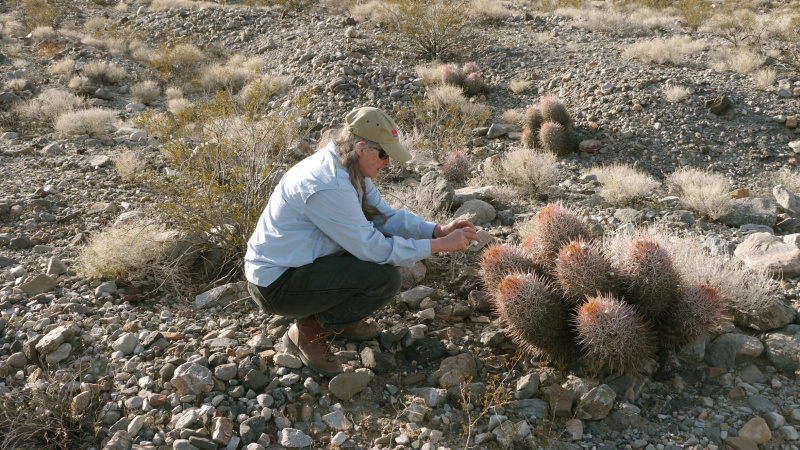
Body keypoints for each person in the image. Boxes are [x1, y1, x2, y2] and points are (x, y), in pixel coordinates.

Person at [244, 106, 481, 376]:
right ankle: (308, 332)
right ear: (361, 148)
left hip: (300, 262)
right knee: (383, 279)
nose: (388, 162)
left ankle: (342, 320)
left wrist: (437, 230)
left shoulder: (348, 167)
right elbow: (373, 248)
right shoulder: (328, 184)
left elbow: (384, 217)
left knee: (380, 259)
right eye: (383, 154)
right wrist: (440, 246)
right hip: (275, 283)